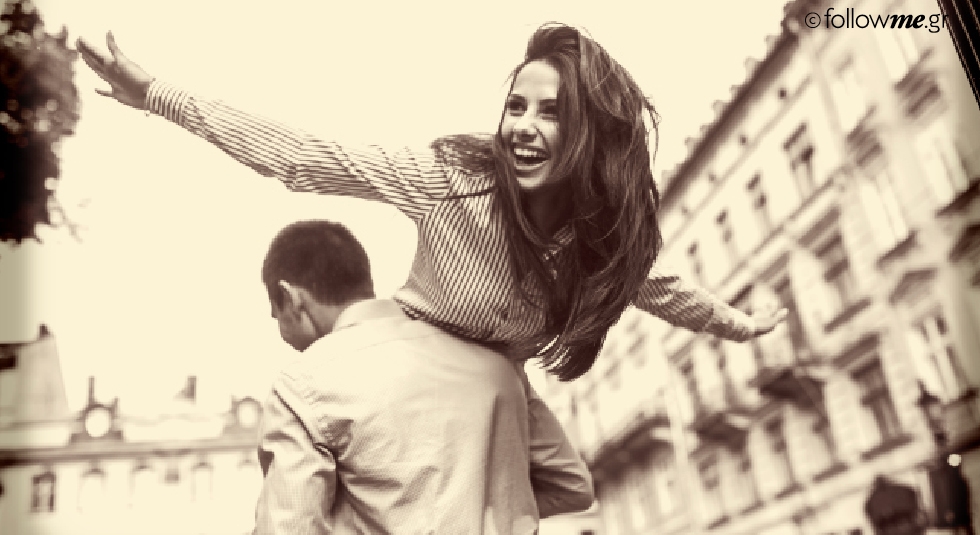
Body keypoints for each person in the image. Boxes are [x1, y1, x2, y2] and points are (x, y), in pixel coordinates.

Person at [76, 23, 787, 382]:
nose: (522, 127)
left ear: (591, 136)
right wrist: (159, 96)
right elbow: (298, 157)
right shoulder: (451, 179)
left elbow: (670, 293)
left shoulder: (600, 242)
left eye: (551, 112)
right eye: (516, 106)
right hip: (407, 368)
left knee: (563, 482)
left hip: (496, 390)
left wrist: (744, 325)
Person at [254, 219, 594, 534]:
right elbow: (571, 486)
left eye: (276, 316)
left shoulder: (302, 386)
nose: (283, 334)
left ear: (290, 297)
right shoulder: (495, 356)